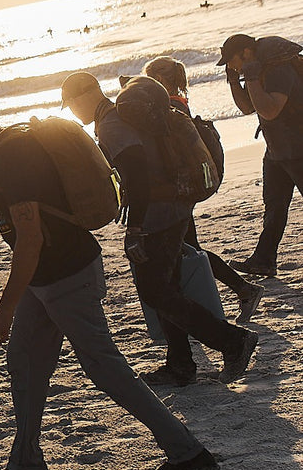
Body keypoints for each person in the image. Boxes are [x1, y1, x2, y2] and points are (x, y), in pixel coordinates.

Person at [0, 81, 220, 470]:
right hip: (46, 277)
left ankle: (189, 454)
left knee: (104, 367)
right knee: (24, 362)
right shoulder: (1, 149)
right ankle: (26, 464)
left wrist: (5, 308)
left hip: (66, 273)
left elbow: (31, 238)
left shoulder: (11, 154)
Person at [61, 71, 257, 386]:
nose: (73, 111)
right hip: (174, 205)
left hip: (160, 214)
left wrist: (135, 228)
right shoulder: (118, 116)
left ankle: (233, 342)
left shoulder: (112, 124)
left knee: (155, 290)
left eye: (70, 104)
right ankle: (180, 364)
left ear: (82, 96)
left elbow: (136, 172)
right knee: (167, 287)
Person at [140, 56, 263, 322]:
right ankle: (240, 290)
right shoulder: (178, 104)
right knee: (188, 246)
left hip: (179, 190)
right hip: (185, 186)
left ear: (159, 81)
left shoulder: (168, 108)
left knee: (188, 247)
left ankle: (243, 290)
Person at [219, 34, 303, 278]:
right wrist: (235, 82)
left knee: (276, 206)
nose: (229, 66)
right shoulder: (259, 67)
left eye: (231, 61)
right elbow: (248, 107)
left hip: (297, 148)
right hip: (278, 150)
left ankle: (264, 259)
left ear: (246, 52)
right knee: (274, 206)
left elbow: (269, 110)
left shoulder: (277, 69)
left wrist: (252, 77)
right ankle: (264, 260)